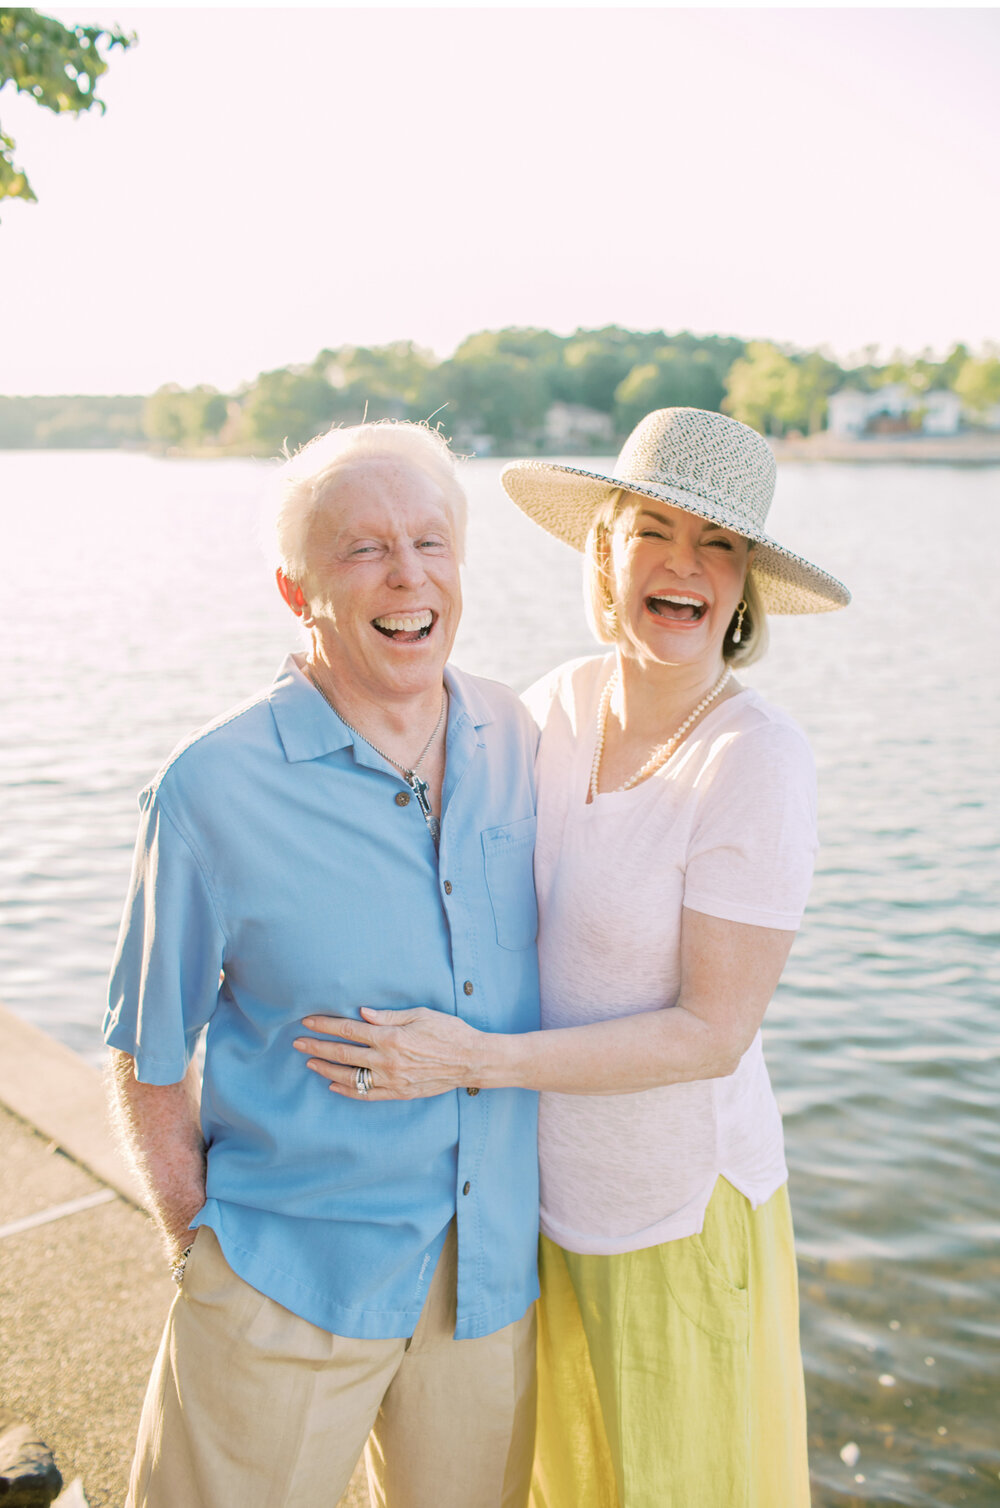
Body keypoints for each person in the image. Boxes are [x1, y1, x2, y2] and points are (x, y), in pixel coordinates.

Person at [293, 407, 851, 1507]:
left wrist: (472, 1060)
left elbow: (712, 1031)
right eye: (655, 530)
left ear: (740, 591)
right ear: (604, 553)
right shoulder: (552, 704)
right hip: (535, 1204)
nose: (685, 565)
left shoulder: (759, 759)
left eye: (720, 545)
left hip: (673, 1216)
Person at [104, 420, 541, 1508]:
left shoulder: (517, 734)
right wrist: (202, 1250)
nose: (409, 576)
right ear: (297, 590)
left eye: (432, 543)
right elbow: (148, 1054)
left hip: (484, 1291)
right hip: (281, 1285)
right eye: (365, 549)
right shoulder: (212, 787)